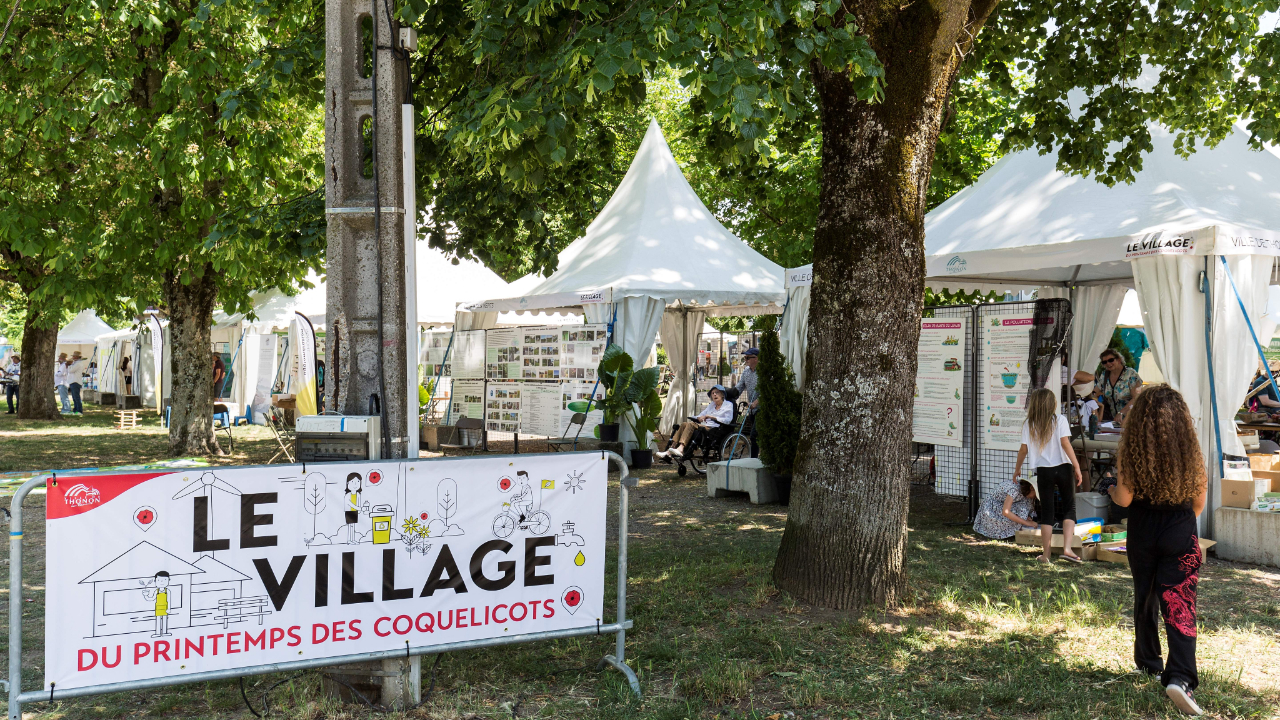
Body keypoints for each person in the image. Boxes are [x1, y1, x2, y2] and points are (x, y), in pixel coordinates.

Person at [1109, 385, 1208, 716]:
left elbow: (1123, 499)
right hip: (1179, 526)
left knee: (1146, 596)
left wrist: (1111, 489)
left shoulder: (1131, 450)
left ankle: (1148, 662)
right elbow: (1198, 503)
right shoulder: (1190, 450)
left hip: (1142, 528)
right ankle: (1179, 677)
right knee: (1179, 604)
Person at [1013, 387, 1085, 563]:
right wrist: (1077, 466)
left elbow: (1023, 450)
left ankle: (1046, 555)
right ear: (1052, 403)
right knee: (1069, 507)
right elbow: (1066, 444)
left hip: (1044, 470)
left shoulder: (1029, 424)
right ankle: (1067, 549)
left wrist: (1017, 469)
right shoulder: (1059, 419)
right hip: (1064, 467)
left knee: (1047, 511)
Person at [656, 385, 734, 459]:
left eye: (717, 392)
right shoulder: (712, 405)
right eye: (712, 393)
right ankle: (670, 450)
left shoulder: (728, 405)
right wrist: (698, 418)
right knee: (684, 424)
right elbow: (701, 415)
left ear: (722, 394)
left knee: (691, 424)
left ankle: (681, 448)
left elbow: (727, 420)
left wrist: (710, 416)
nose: (714, 394)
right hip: (706, 426)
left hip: (716, 429)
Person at [972, 479, 1040, 540]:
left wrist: (1027, 517)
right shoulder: (1014, 489)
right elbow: (1006, 512)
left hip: (1002, 505)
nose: (1035, 497)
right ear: (1031, 488)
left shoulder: (1023, 491)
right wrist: (1027, 523)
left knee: (1025, 505)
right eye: (1035, 495)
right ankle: (1007, 530)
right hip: (992, 509)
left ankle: (1016, 528)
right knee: (1023, 510)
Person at [1098, 348, 1143, 425]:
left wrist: (1121, 412)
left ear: (1119, 360)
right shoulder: (1104, 375)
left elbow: (1136, 397)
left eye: (1111, 360)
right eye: (1104, 362)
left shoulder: (1130, 374)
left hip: (1131, 419)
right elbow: (1096, 392)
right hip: (1112, 421)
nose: (1108, 363)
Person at [735, 348, 760, 457]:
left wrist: (757, 402)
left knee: (754, 435)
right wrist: (727, 395)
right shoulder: (746, 372)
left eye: (748, 357)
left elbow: (769, 390)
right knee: (755, 436)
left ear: (756, 358)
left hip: (763, 409)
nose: (746, 360)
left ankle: (753, 460)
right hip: (752, 410)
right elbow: (739, 388)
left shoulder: (764, 372)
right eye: (745, 357)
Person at [67, 350, 86, 415]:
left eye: (75, 356)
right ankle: (75, 410)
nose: (73, 358)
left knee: (76, 397)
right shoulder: (75, 363)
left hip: (76, 381)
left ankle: (79, 411)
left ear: (78, 357)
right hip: (73, 381)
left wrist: (69, 365)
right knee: (74, 397)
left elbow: (71, 370)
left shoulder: (78, 363)